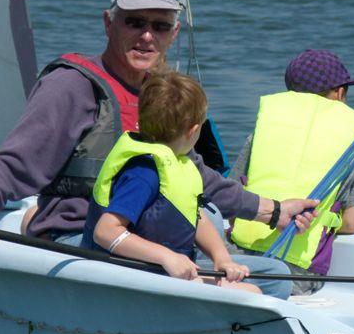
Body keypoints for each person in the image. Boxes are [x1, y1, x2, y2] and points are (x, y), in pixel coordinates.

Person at [0, 0, 317, 299]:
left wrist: (274, 211)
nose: (146, 35)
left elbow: (196, 179)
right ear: (109, 23)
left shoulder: (160, 94)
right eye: (134, 22)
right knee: (222, 287)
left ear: (173, 34)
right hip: (86, 243)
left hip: (152, 245)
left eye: (159, 26)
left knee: (275, 278)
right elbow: (10, 164)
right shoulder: (72, 86)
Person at [83, 70, 260, 294]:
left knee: (256, 285)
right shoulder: (143, 172)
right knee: (251, 293)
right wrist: (167, 257)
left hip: (164, 273)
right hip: (130, 277)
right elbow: (105, 231)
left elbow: (196, 216)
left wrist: (222, 258)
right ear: (194, 131)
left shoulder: (179, 165)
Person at [229, 49, 354, 295]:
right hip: (297, 273)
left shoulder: (263, 132)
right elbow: (352, 223)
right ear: (340, 93)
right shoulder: (350, 143)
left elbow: (233, 203)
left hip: (238, 258)